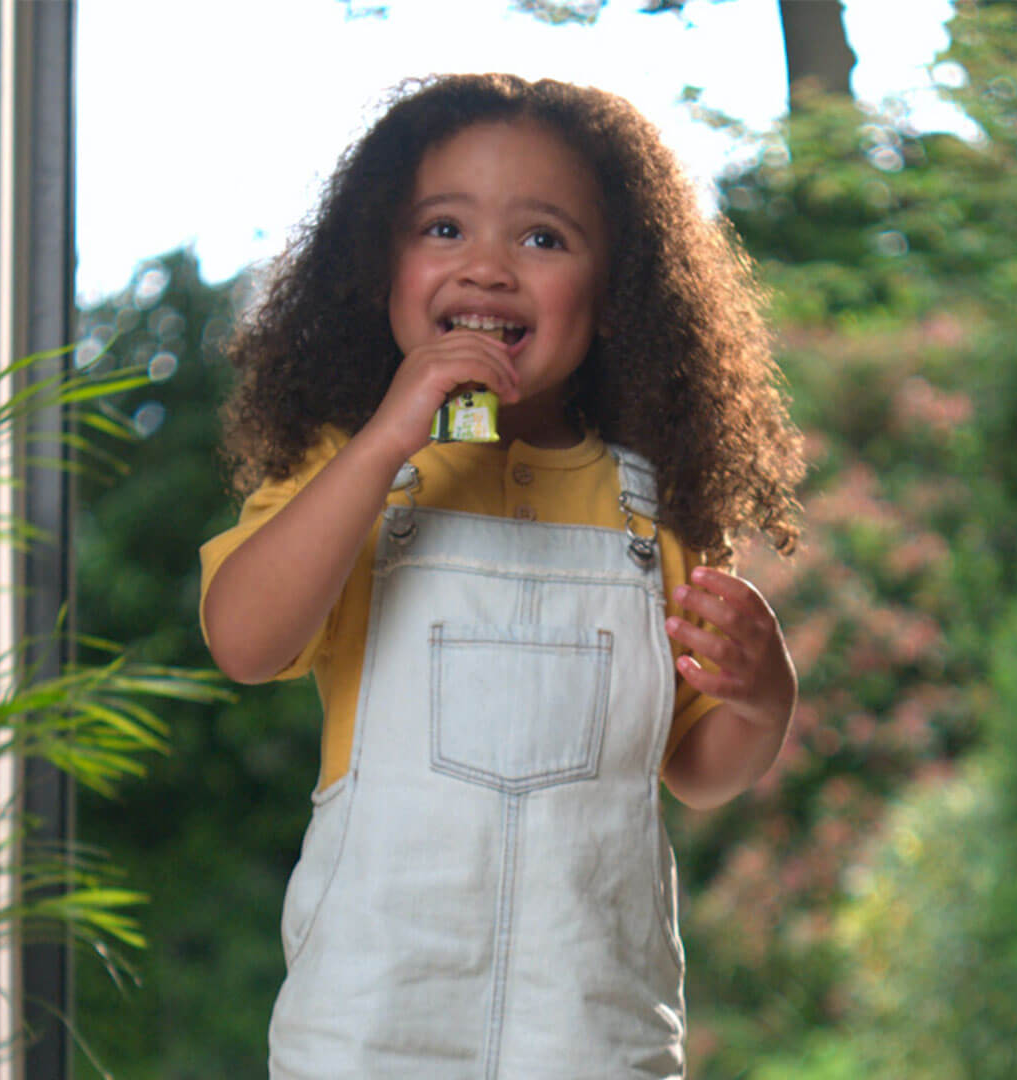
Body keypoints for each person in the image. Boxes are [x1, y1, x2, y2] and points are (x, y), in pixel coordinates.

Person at [200, 73, 804, 1079]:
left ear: (616, 296)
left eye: (543, 238)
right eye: (443, 228)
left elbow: (700, 773)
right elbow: (243, 640)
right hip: (370, 1030)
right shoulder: (352, 482)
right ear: (376, 266)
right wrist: (394, 434)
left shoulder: (652, 512)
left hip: (593, 1031)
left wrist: (765, 699)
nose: (486, 267)